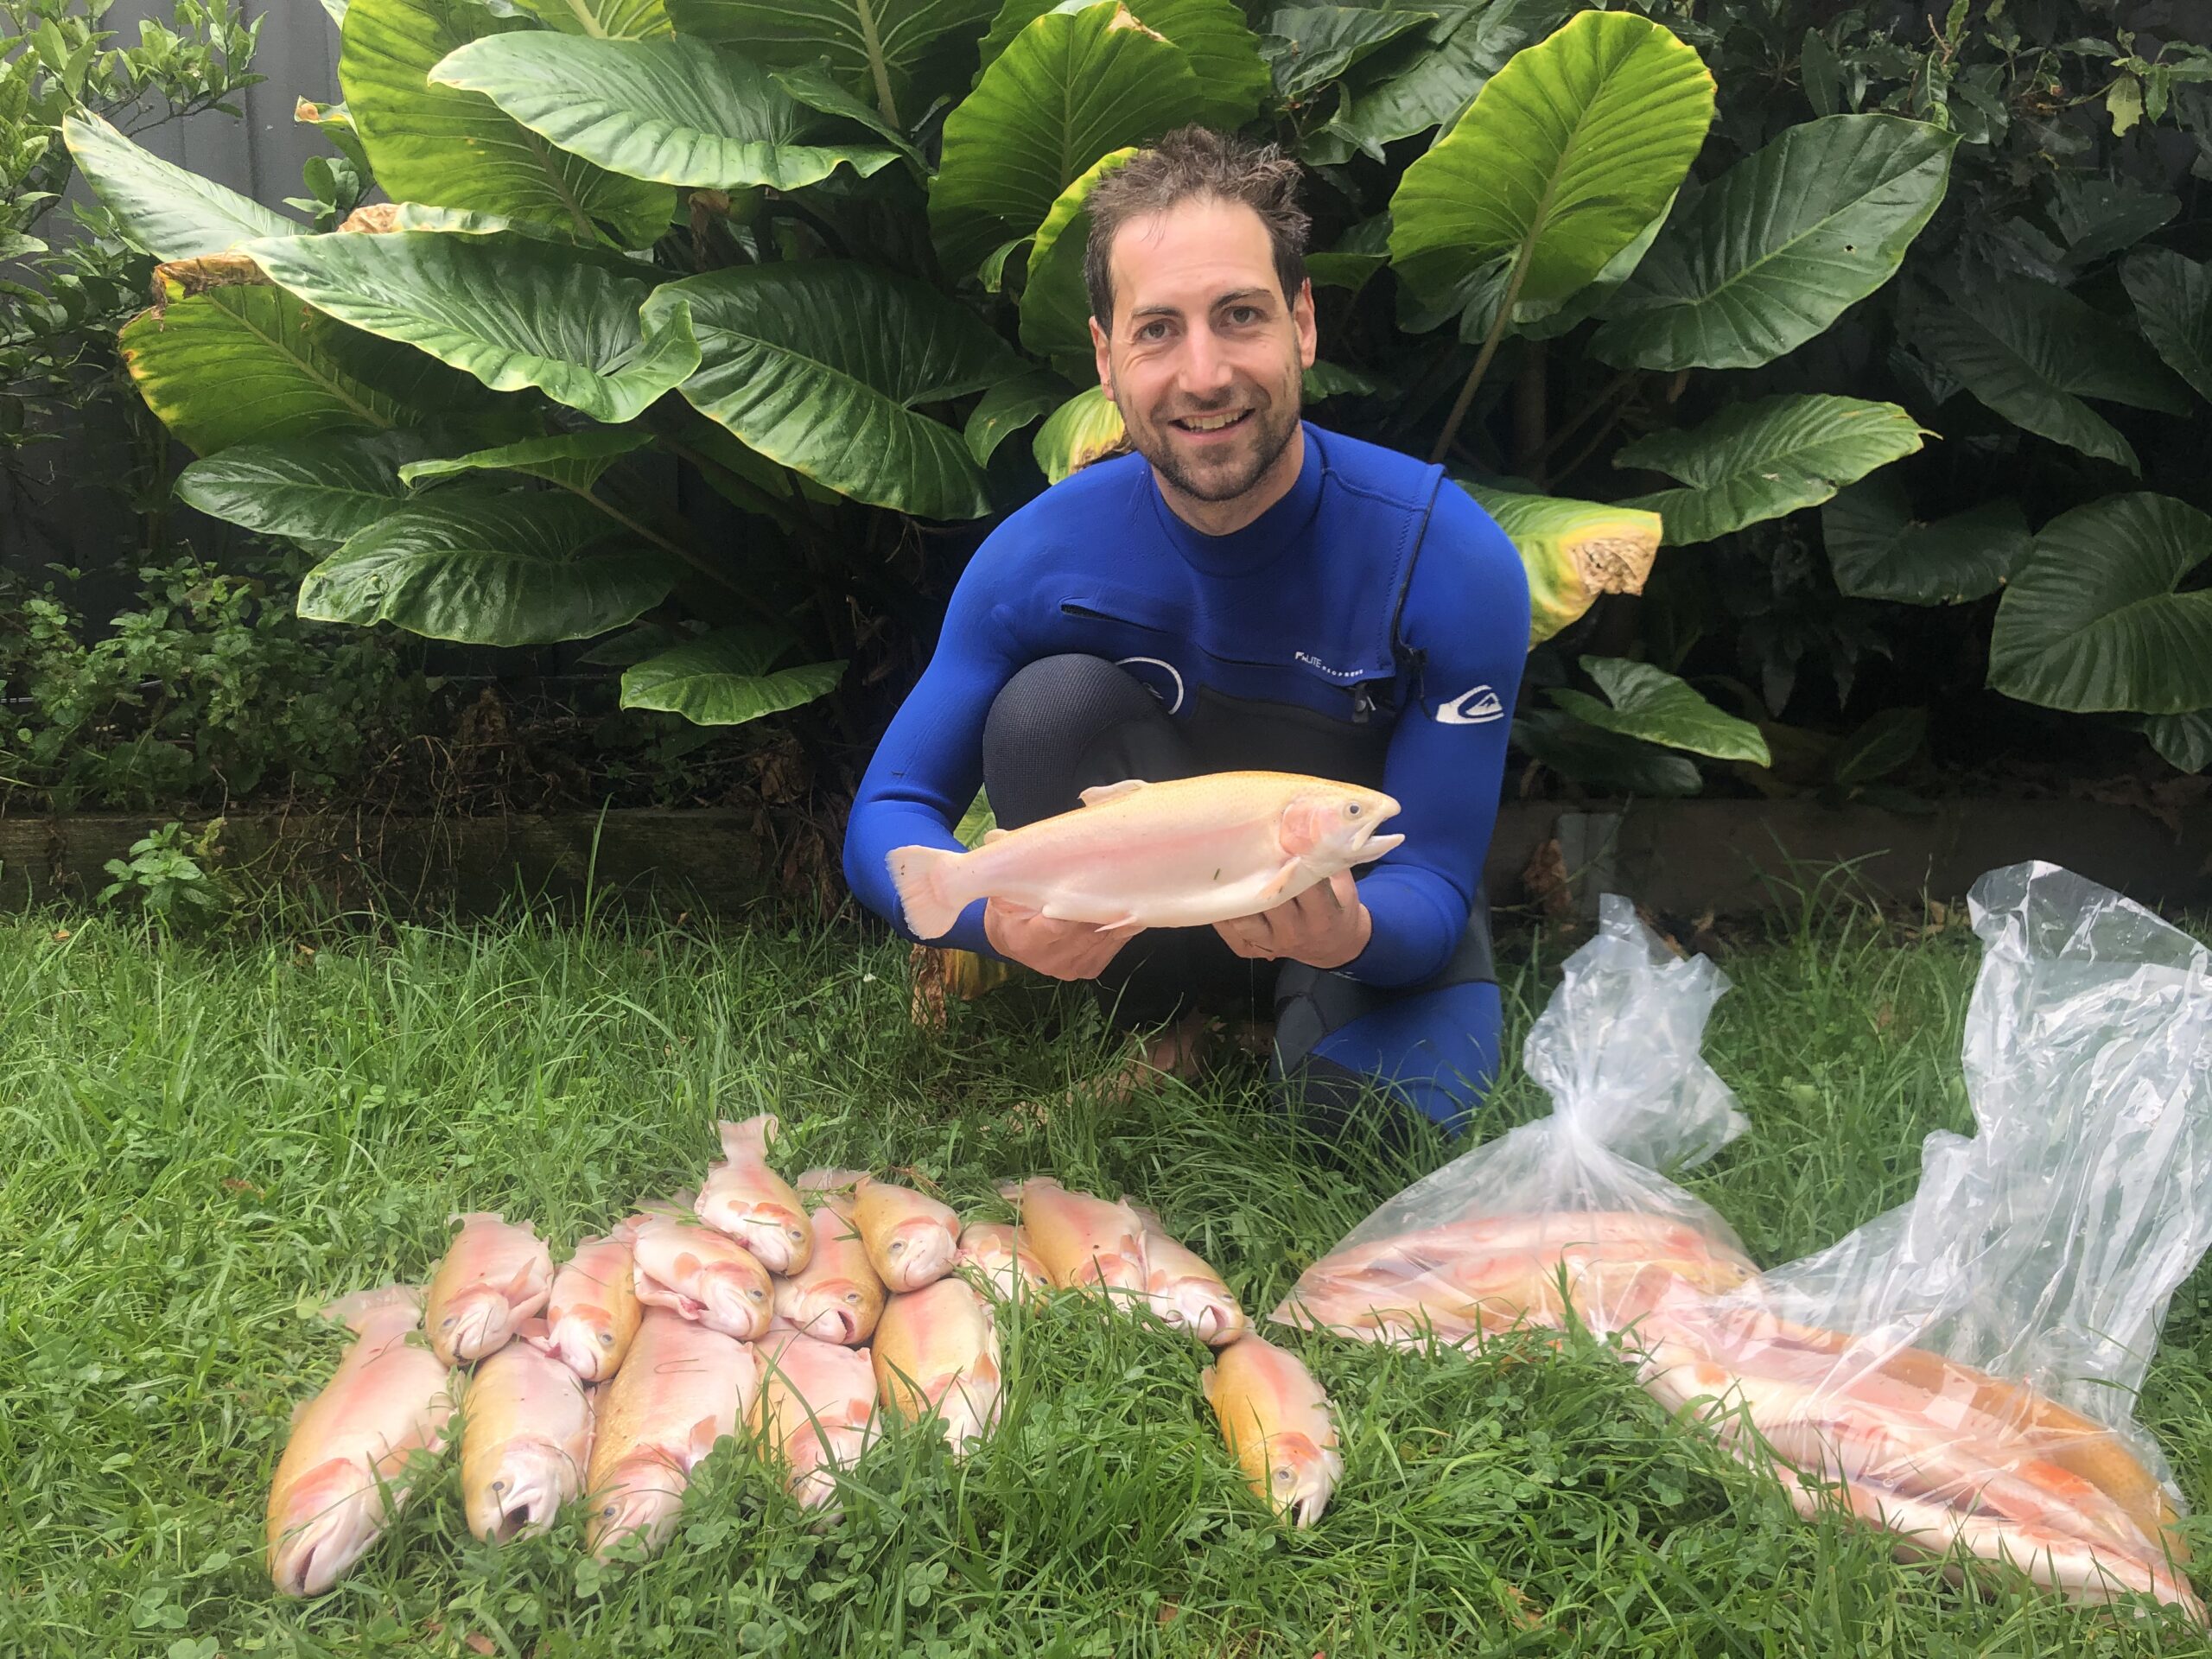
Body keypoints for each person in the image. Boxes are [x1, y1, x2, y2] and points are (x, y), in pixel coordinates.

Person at [842, 125, 1529, 1140]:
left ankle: (1294, 1018)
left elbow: (1429, 880)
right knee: (1048, 710)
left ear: (1302, 324)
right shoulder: (1040, 552)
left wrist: (1350, 933)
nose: (1203, 374)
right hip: (1149, 915)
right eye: (1157, 329)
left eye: (1239, 316)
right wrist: (993, 919)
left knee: (1368, 1132)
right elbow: (888, 817)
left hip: (1359, 910)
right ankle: (1168, 1026)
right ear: (1105, 358)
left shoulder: (1448, 558)